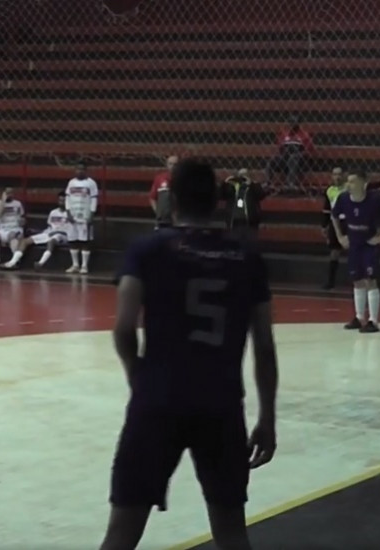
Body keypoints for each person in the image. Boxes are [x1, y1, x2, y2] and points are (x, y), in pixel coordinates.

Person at [101, 159, 279, 550]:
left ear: (172, 200)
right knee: (231, 531)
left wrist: (137, 376)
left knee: (122, 532)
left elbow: (124, 328)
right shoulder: (246, 257)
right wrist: (267, 418)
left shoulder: (147, 250)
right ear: (217, 201)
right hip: (221, 405)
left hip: (158, 401)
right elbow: (264, 347)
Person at [330, 169, 380, 333]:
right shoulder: (343, 198)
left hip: (369, 244)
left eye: (353, 181)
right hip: (354, 244)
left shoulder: (373, 200)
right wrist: (340, 236)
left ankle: (373, 320)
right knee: (357, 279)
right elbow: (334, 216)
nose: (349, 185)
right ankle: (359, 317)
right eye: (348, 181)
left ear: (363, 183)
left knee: (370, 280)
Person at [2, 192, 72, 270]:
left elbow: (71, 229)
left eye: (63, 201)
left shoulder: (70, 213)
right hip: (49, 233)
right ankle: (12, 262)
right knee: (25, 241)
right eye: (60, 200)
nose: (61, 203)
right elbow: (50, 226)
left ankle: (40, 263)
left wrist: (56, 232)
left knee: (52, 241)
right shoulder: (53, 212)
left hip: (62, 235)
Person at [265, 115, 315, 191]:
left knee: (293, 158)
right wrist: (285, 151)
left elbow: (309, 151)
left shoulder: (304, 135)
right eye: (290, 123)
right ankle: (268, 182)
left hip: (300, 160)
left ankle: (291, 183)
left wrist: (299, 152)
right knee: (272, 160)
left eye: (294, 123)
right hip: (286, 158)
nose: (292, 125)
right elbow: (280, 148)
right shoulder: (284, 135)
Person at [65, 162, 99, 274]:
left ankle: (84, 266)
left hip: (85, 215)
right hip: (73, 215)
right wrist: (68, 212)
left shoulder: (91, 183)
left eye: (82, 169)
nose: (79, 171)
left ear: (86, 170)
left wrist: (92, 214)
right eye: (77, 169)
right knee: (73, 240)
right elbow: (67, 198)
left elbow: (94, 199)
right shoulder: (71, 182)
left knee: (85, 241)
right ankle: (75, 265)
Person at [220, 168, 266, 240]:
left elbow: (261, 195)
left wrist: (251, 183)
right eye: (241, 176)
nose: (243, 178)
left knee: (249, 241)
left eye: (245, 175)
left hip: (250, 221)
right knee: (234, 241)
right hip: (234, 221)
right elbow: (222, 195)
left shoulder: (252, 187)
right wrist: (226, 183)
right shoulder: (232, 186)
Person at [320, 167, 346, 289]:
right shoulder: (329, 191)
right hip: (335, 222)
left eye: (340, 174)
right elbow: (326, 209)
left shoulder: (348, 188)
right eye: (335, 174)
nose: (337, 177)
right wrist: (324, 225)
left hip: (348, 221)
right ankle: (331, 281)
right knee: (334, 251)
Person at [0, 187, 25, 266]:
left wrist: (22, 222)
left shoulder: (18, 203)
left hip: (15, 228)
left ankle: (15, 261)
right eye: (7, 193)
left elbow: (23, 217)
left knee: (12, 236)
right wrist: (3, 201)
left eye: (11, 193)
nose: (9, 195)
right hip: (3, 229)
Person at [149, 155, 177, 229]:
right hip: (162, 220)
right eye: (170, 164)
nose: (173, 166)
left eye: (175, 164)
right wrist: (158, 212)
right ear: (167, 165)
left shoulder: (184, 179)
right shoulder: (159, 178)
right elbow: (152, 198)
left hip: (177, 220)